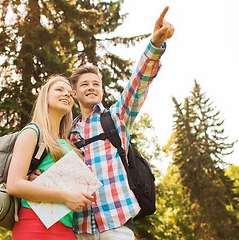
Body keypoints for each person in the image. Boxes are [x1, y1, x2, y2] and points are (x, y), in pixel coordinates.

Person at [67, 6, 175, 240]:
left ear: (102, 90)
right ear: (74, 94)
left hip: (117, 222)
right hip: (79, 227)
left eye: (95, 83)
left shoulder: (116, 118)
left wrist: (154, 46)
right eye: (84, 84)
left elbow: (138, 84)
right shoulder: (67, 133)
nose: (91, 87)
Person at [6, 76, 93, 240]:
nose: (67, 94)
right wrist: (66, 196)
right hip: (35, 225)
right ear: (45, 97)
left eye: (69, 93)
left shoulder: (69, 143)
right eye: (59, 90)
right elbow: (14, 185)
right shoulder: (32, 133)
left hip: (66, 228)